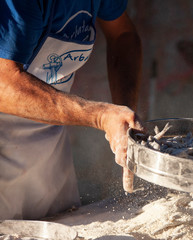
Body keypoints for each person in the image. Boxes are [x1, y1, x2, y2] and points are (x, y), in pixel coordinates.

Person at [0, 0, 143, 220]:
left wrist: (124, 119)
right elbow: (4, 83)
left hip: (49, 148)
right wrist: (100, 116)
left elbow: (123, 35)